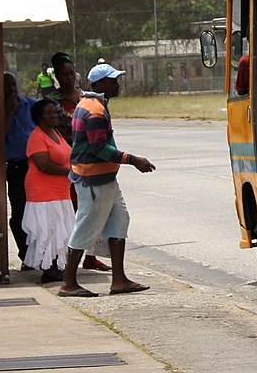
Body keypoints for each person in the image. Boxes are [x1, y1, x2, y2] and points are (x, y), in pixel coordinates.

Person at [58, 63, 156, 298]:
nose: (118, 83)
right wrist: (133, 160)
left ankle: (119, 280)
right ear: (99, 84)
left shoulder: (95, 105)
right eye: (113, 80)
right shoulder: (93, 110)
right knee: (86, 227)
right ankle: (68, 283)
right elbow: (99, 147)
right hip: (93, 180)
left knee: (119, 221)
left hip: (104, 178)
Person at [47, 51, 110, 273]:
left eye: (72, 73)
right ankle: (64, 258)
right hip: (68, 161)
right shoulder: (52, 101)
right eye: (65, 74)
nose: (69, 78)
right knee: (73, 211)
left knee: (93, 209)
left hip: (90, 159)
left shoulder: (85, 96)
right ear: (57, 75)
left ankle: (91, 256)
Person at [21, 99, 75, 284]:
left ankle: (58, 265)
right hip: (43, 193)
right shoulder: (37, 136)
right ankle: (48, 268)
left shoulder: (56, 133)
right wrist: (71, 172)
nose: (54, 116)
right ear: (39, 117)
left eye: (55, 112)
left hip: (61, 191)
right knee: (48, 229)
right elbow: (43, 165)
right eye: (49, 113)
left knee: (61, 229)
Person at [1, 72, 36, 267]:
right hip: (16, 168)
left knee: (39, 212)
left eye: (13, 84)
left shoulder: (31, 106)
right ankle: (27, 256)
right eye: (6, 86)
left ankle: (42, 254)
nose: (11, 89)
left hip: (36, 166)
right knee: (19, 214)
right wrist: (9, 111)